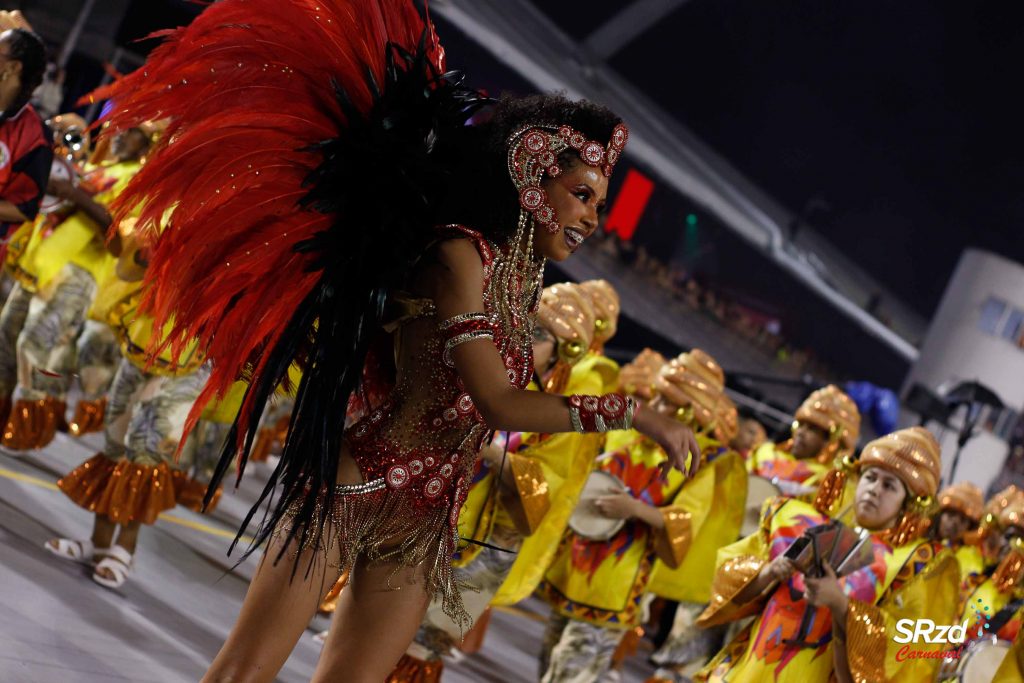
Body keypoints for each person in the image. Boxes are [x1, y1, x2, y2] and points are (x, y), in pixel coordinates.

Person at [90, 1, 701, 680]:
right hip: (356, 482)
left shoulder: (517, 282)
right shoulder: (459, 255)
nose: (592, 218)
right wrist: (629, 412)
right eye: (583, 194)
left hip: (425, 518)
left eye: (599, 204)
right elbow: (497, 403)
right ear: (533, 177)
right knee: (245, 671)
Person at [696, 426, 960, 682]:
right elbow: (725, 573)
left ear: (908, 504)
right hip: (751, 669)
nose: (875, 489)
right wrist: (768, 572)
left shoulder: (912, 564)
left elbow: (903, 646)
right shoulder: (796, 521)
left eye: (890, 486)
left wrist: (842, 606)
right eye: (870, 477)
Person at [537, 349, 731, 683]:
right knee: (548, 658)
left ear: (692, 411)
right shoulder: (622, 431)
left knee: (571, 671)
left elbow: (685, 519)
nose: (656, 407)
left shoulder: (703, 458)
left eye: (669, 403)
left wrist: (635, 509)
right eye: (657, 397)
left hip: (619, 585)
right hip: (573, 566)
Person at [747, 384, 860, 490]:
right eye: (801, 425)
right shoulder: (764, 453)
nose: (801, 432)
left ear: (831, 442)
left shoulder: (829, 486)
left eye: (812, 429)